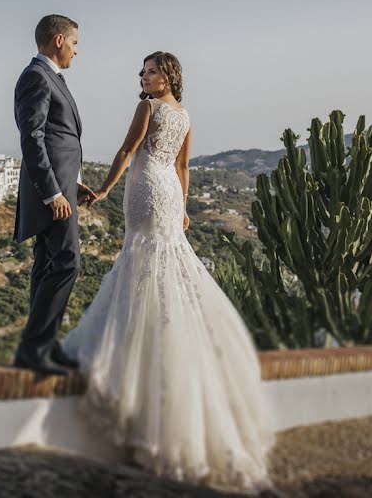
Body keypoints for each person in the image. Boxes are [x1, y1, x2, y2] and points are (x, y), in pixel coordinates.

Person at [62, 51, 275, 493]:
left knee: (140, 262)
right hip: (169, 194)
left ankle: (136, 349)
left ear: (169, 76)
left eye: (152, 71)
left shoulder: (150, 108)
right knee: (163, 263)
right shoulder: (185, 114)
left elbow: (127, 149)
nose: (144, 77)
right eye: (142, 72)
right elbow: (182, 166)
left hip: (143, 190)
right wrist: (183, 209)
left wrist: (102, 189)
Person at [12, 14, 96, 376]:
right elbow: (31, 139)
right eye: (75, 43)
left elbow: (58, 138)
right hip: (50, 193)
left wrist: (73, 182)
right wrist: (52, 193)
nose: (78, 51)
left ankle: (41, 345)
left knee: (48, 264)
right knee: (67, 262)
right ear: (59, 40)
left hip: (61, 187)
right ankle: (34, 346)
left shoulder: (49, 77)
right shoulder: (36, 76)